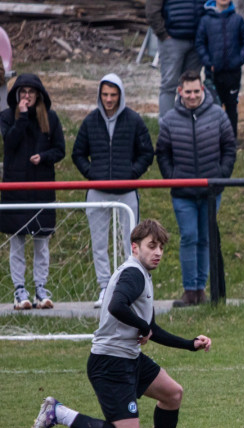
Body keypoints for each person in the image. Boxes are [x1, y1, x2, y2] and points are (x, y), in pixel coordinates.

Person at [30, 219, 213, 428]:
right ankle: (58, 413)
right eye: (152, 246)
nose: (158, 252)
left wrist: (190, 344)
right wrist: (143, 327)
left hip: (129, 357)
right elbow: (117, 306)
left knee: (172, 394)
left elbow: (151, 328)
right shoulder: (133, 273)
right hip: (111, 363)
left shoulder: (141, 274)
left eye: (161, 247)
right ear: (135, 247)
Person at [72, 73, 155, 308]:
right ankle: (104, 287)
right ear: (100, 95)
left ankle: (130, 289)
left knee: (132, 243)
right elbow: (78, 153)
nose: (109, 99)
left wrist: (131, 173)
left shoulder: (134, 120)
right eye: (105, 94)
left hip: (126, 192)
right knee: (99, 243)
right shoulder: (90, 121)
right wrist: (92, 173)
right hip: (97, 192)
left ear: (121, 95)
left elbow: (147, 152)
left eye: (113, 95)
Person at [156, 70, 236, 307]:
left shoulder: (218, 115)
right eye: (188, 92)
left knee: (206, 238)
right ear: (180, 92)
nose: (192, 96)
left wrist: (221, 176)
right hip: (183, 192)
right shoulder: (169, 119)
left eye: (196, 91)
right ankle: (190, 290)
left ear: (203, 89)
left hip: (211, 191)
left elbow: (229, 147)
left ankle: (202, 289)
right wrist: (172, 177)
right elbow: (162, 152)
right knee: (189, 237)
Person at [0, 73, 65, 310]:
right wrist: (23, 117)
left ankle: (41, 288)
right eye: (23, 92)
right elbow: (9, 143)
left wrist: (44, 157)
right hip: (15, 189)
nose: (27, 96)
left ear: (39, 94)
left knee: (41, 242)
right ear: (17, 94)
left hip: (42, 188)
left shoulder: (51, 118)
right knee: (17, 242)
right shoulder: (7, 117)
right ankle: (19, 290)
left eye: (31, 92)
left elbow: (60, 150)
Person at [195, 0, 244, 140]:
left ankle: (231, 140)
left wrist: (239, 60)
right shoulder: (206, 20)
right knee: (214, 107)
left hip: (233, 73)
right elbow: (200, 43)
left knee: (232, 106)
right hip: (214, 73)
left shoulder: (237, 19)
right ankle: (214, 139)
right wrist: (208, 63)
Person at [147, 0, 205, 119]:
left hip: (197, 40)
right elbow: (152, 9)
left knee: (191, 86)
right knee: (169, 85)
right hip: (172, 40)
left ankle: (188, 125)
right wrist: (162, 33)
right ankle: (166, 126)